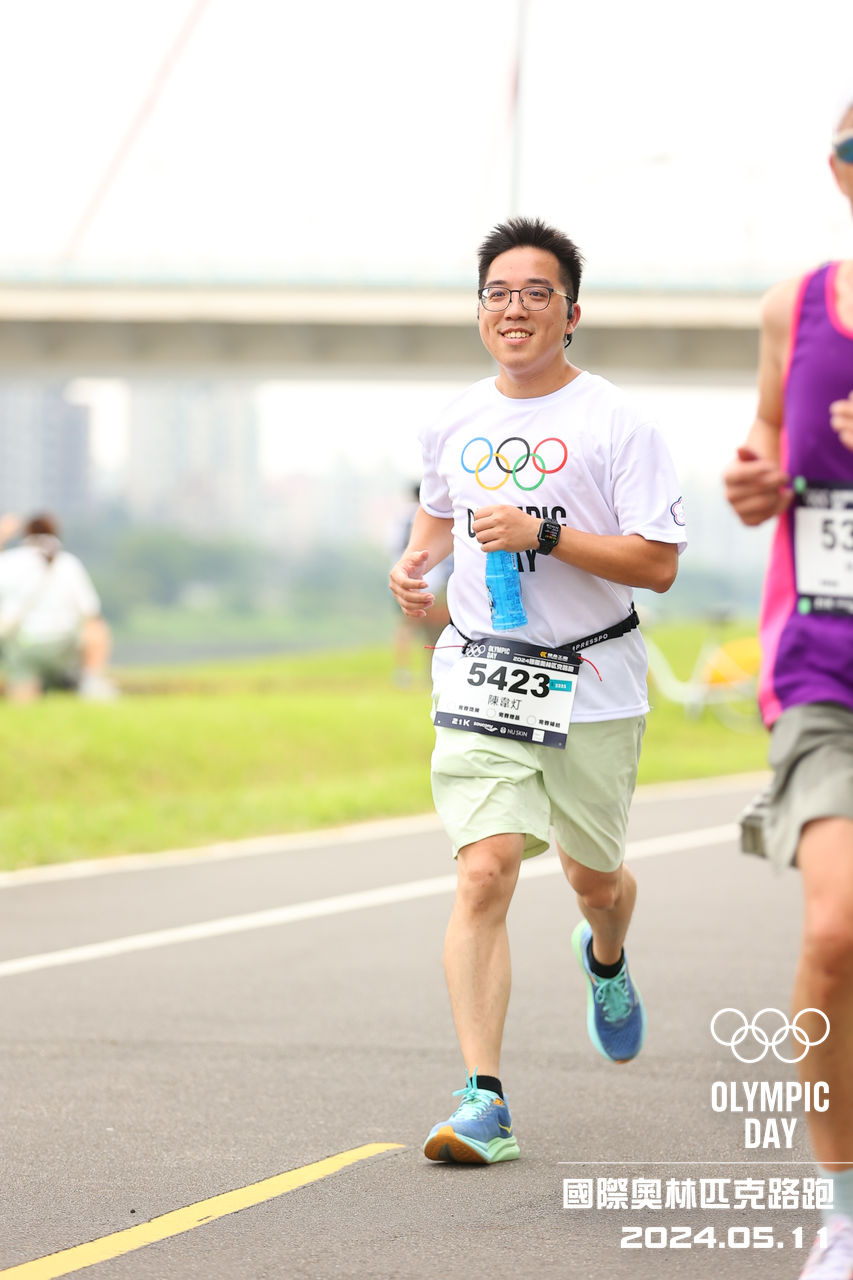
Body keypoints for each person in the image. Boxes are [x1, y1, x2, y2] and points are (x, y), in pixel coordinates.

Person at [389, 216, 686, 1164]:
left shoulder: (617, 423)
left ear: (571, 313)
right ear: (479, 310)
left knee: (595, 881)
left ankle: (605, 954)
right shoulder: (454, 420)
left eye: (535, 293)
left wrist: (543, 534)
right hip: (482, 671)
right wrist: (415, 565)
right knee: (484, 870)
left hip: (592, 677)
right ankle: (482, 1099)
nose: (513, 309)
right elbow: (436, 516)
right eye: (497, 293)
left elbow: (657, 564)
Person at [724, 101, 853, 1279]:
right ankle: (842, 1205)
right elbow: (766, 443)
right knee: (833, 927)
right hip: (824, 666)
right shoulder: (793, 308)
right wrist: (753, 481)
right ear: (838, 170)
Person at [0, 512, 117, 702]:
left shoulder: (11, 562)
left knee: (23, 704)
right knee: (98, 628)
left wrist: (3, 534)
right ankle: (90, 681)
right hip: (63, 647)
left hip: (23, 647)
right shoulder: (68, 563)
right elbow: (91, 612)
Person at [388, 484, 452, 686]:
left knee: (406, 627)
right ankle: (431, 672)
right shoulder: (438, 515)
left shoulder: (402, 518)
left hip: (406, 578)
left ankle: (402, 671)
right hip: (436, 578)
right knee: (435, 630)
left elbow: (392, 546)